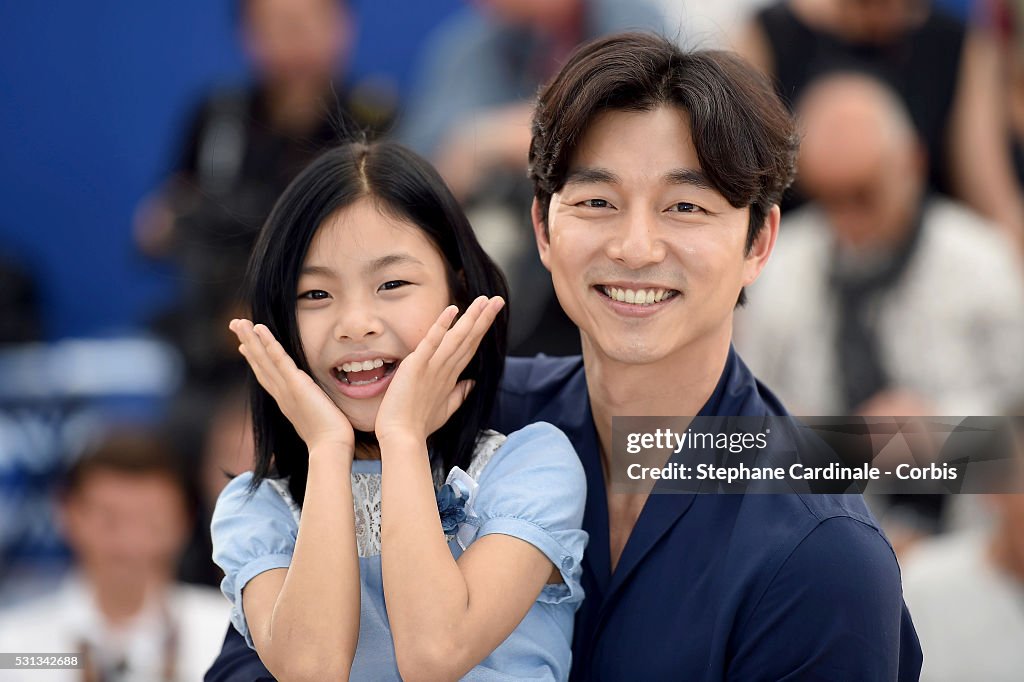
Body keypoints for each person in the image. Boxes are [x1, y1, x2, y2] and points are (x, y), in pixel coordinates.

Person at [207, 32, 922, 680]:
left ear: (759, 242)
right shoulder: (451, 414)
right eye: (598, 202)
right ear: (543, 229)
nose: (636, 248)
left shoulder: (821, 556)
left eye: (686, 208)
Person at [209, 140, 587, 680]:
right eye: (315, 294)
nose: (354, 323)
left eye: (392, 284)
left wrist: (403, 438)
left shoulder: (530, 466)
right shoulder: (258, 510)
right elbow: (310, 669)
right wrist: (328, 448)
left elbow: (435, 652)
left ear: (458, 287)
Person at [736, 71, 1024, 418]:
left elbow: (1015, 395)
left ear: (913, 163)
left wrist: (941, 422)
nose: (848, 222)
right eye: (830, 200)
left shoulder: (981, 260)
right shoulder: (781, 264)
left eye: (864, 196)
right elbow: (748, 392)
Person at [735, 0, 1024, 245]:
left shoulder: (956, 42)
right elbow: (743, 181)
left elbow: (988, 186)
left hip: (919, 253)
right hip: (801, 259)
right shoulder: (771, 35)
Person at [0, 430, 229, 681]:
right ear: (67, 514)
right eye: (109, 521)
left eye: (151, 521)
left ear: (184, 520)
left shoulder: (228, 636)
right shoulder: (13, 649)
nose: (129, 542)